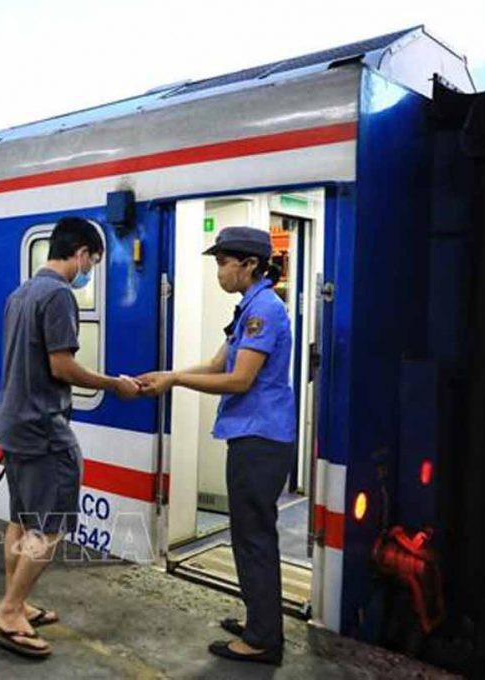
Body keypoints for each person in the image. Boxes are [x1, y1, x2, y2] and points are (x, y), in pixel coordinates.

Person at [135, 226, 295, 666]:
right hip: (252, 437)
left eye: (223, 263)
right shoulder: (249, 308)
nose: (219, 272)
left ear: (250, 264)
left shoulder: (265, 311)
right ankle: (260, 622)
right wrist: (168, 375)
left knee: (254, 537)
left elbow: (239, 379)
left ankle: (263, 640)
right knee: (248, 534)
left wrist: (175, 381)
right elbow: (215, 364)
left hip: (260, 440)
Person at [0, 217, 142, 658]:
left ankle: (17, 601)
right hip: (44, 428)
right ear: (80, 254)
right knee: (51, 527)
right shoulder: (58, 295)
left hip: (13, 421)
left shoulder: (21, 294)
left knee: (21, 520)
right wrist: (115, 385)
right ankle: (10, 610)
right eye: (92, 261)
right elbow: (62, 366)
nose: (89, 270)